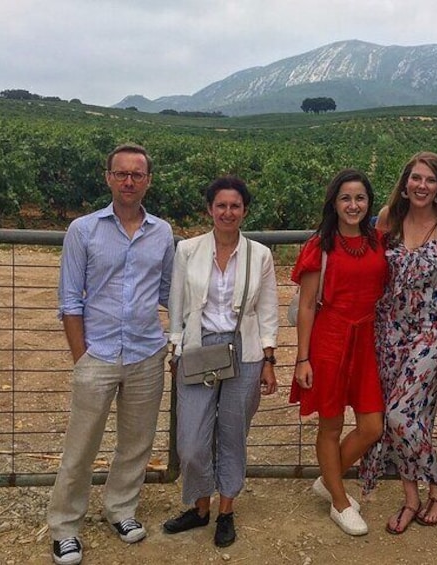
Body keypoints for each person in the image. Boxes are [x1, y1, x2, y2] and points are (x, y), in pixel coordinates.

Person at [49, 143, 174, 565]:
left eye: (137, 175)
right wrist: (81, 357)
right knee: (80, 446)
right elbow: (69, 300)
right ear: (108, 178)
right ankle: (65, 526)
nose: (128, 181)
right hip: (97, 355)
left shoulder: (163, 233)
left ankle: (120, 509)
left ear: (148, 181)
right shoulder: (82, 230)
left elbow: (168, 293)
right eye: (121, 174)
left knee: (136, 444)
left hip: (146, 353)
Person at [163, 176, 279, 548]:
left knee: (232, 435)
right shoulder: (188, 251)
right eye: (221, 205)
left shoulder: (259, 254)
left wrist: (268, 357)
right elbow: (178, 305)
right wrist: (175, 349)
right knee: (192, 442)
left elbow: (268, 309)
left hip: (243, 351)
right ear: (209, 209)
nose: (228, 212)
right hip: (198, 349)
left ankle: (224, 510)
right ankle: (199, 506)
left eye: (235, 206)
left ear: (244, 211)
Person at [358, 152, 437, 534]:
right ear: (405, 183)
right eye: (416, 178)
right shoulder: (388, 218)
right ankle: (412, 499)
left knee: (400, 415)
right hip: (389, 327)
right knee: (406, 416)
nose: (422, 185)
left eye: (430, 180)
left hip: (431, 329)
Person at [290, 168, 387, 536]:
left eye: (360, 198)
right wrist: (303, 357)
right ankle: (340, 501)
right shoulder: (321, 245)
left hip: (366, 340)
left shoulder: (378, 240)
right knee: (330, 425)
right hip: (329, 340)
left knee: (372, 426)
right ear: (334, 202)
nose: (353, 205)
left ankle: (328, 480)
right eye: (345, 198)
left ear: (369, 203)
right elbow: (306, 305)